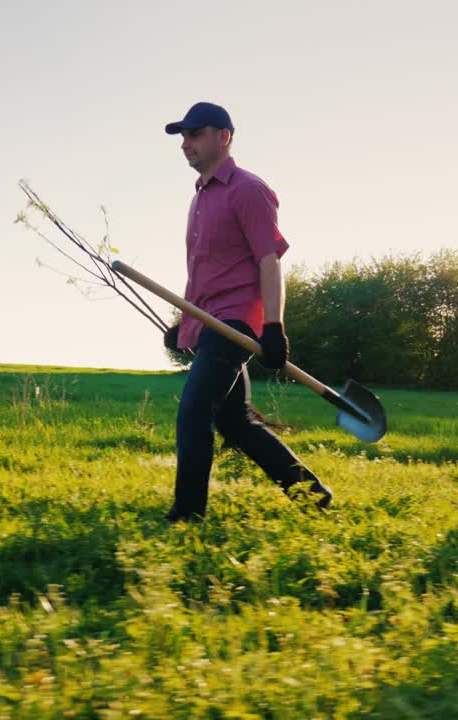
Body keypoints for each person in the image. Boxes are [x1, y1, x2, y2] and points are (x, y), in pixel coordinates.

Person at [161, 101, 333, 522]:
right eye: (183, 136)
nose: (186, 143)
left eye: (195, 134)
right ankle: (313, 495)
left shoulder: (247, 189)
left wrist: (274, 327)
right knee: (234, 421)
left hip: (236, 319)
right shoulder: (200, 196)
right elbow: (208, 273)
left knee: (194, 413)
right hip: (210, 320)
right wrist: (186, 325)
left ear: (224, 136)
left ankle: (187, 517)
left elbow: (268, 260)